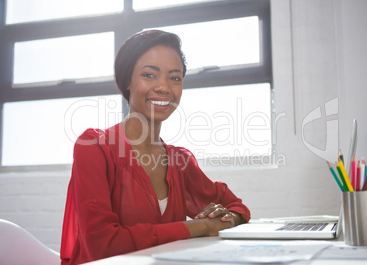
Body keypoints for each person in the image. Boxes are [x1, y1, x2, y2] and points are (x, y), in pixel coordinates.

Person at [60, 30, 250, 264]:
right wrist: (200, 225)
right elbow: (103, 245)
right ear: (127, 80)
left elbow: (237, 207)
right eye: (149, 75)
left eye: (175, 78)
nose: (163, 88)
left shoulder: (179, 161)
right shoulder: (94, 147)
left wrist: (227, 218)